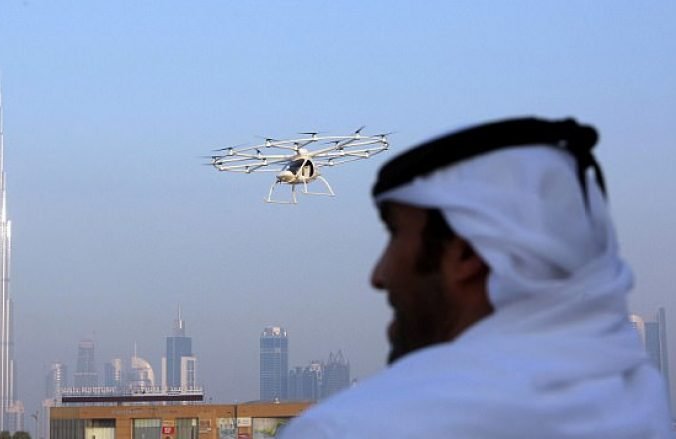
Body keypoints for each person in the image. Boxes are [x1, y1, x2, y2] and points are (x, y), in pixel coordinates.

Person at [278, 117, 673, 438]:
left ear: (466, 253)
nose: (379, 275)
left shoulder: (352, 428)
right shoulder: (639, 401)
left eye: (395, 234)